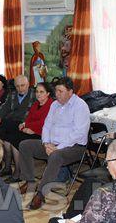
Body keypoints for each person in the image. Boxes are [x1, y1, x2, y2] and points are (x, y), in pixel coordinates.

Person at [19, 77, 90, 209]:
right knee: (25, 145)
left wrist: (58, 147)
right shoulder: (55, 105)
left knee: (55, 155)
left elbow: (78, 133)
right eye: (56, 91)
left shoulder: (80, 106)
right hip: (51, 145)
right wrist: (46, 143)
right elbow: (47, 126)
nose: (57, 94)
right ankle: (30, 182)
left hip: (74, 147)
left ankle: (41, 194)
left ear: (70, 92)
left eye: (60, 91)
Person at [2, 82, 54, 182]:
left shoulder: (51, 105)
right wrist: (24, 125)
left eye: (41, 92)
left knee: (15, 141)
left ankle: (18, 173)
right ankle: (7, 168)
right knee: (8, 139)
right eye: (37, 92)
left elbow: (44, 122)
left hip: (42, 134)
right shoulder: (36, 104)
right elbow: (28, 119)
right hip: (31, 131)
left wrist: (28, 127)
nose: (38, 94)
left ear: (48, 93)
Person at [0, 75, 35, 174]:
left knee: (5, 136)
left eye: (23, 85)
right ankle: (3, 167)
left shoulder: (34, 94)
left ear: (28, 84)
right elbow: (5, 107)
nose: (20, 88)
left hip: (23, 123)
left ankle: (13, 170)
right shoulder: (12, 94)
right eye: (17, 86)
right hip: (11, 121)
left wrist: (26, 124)